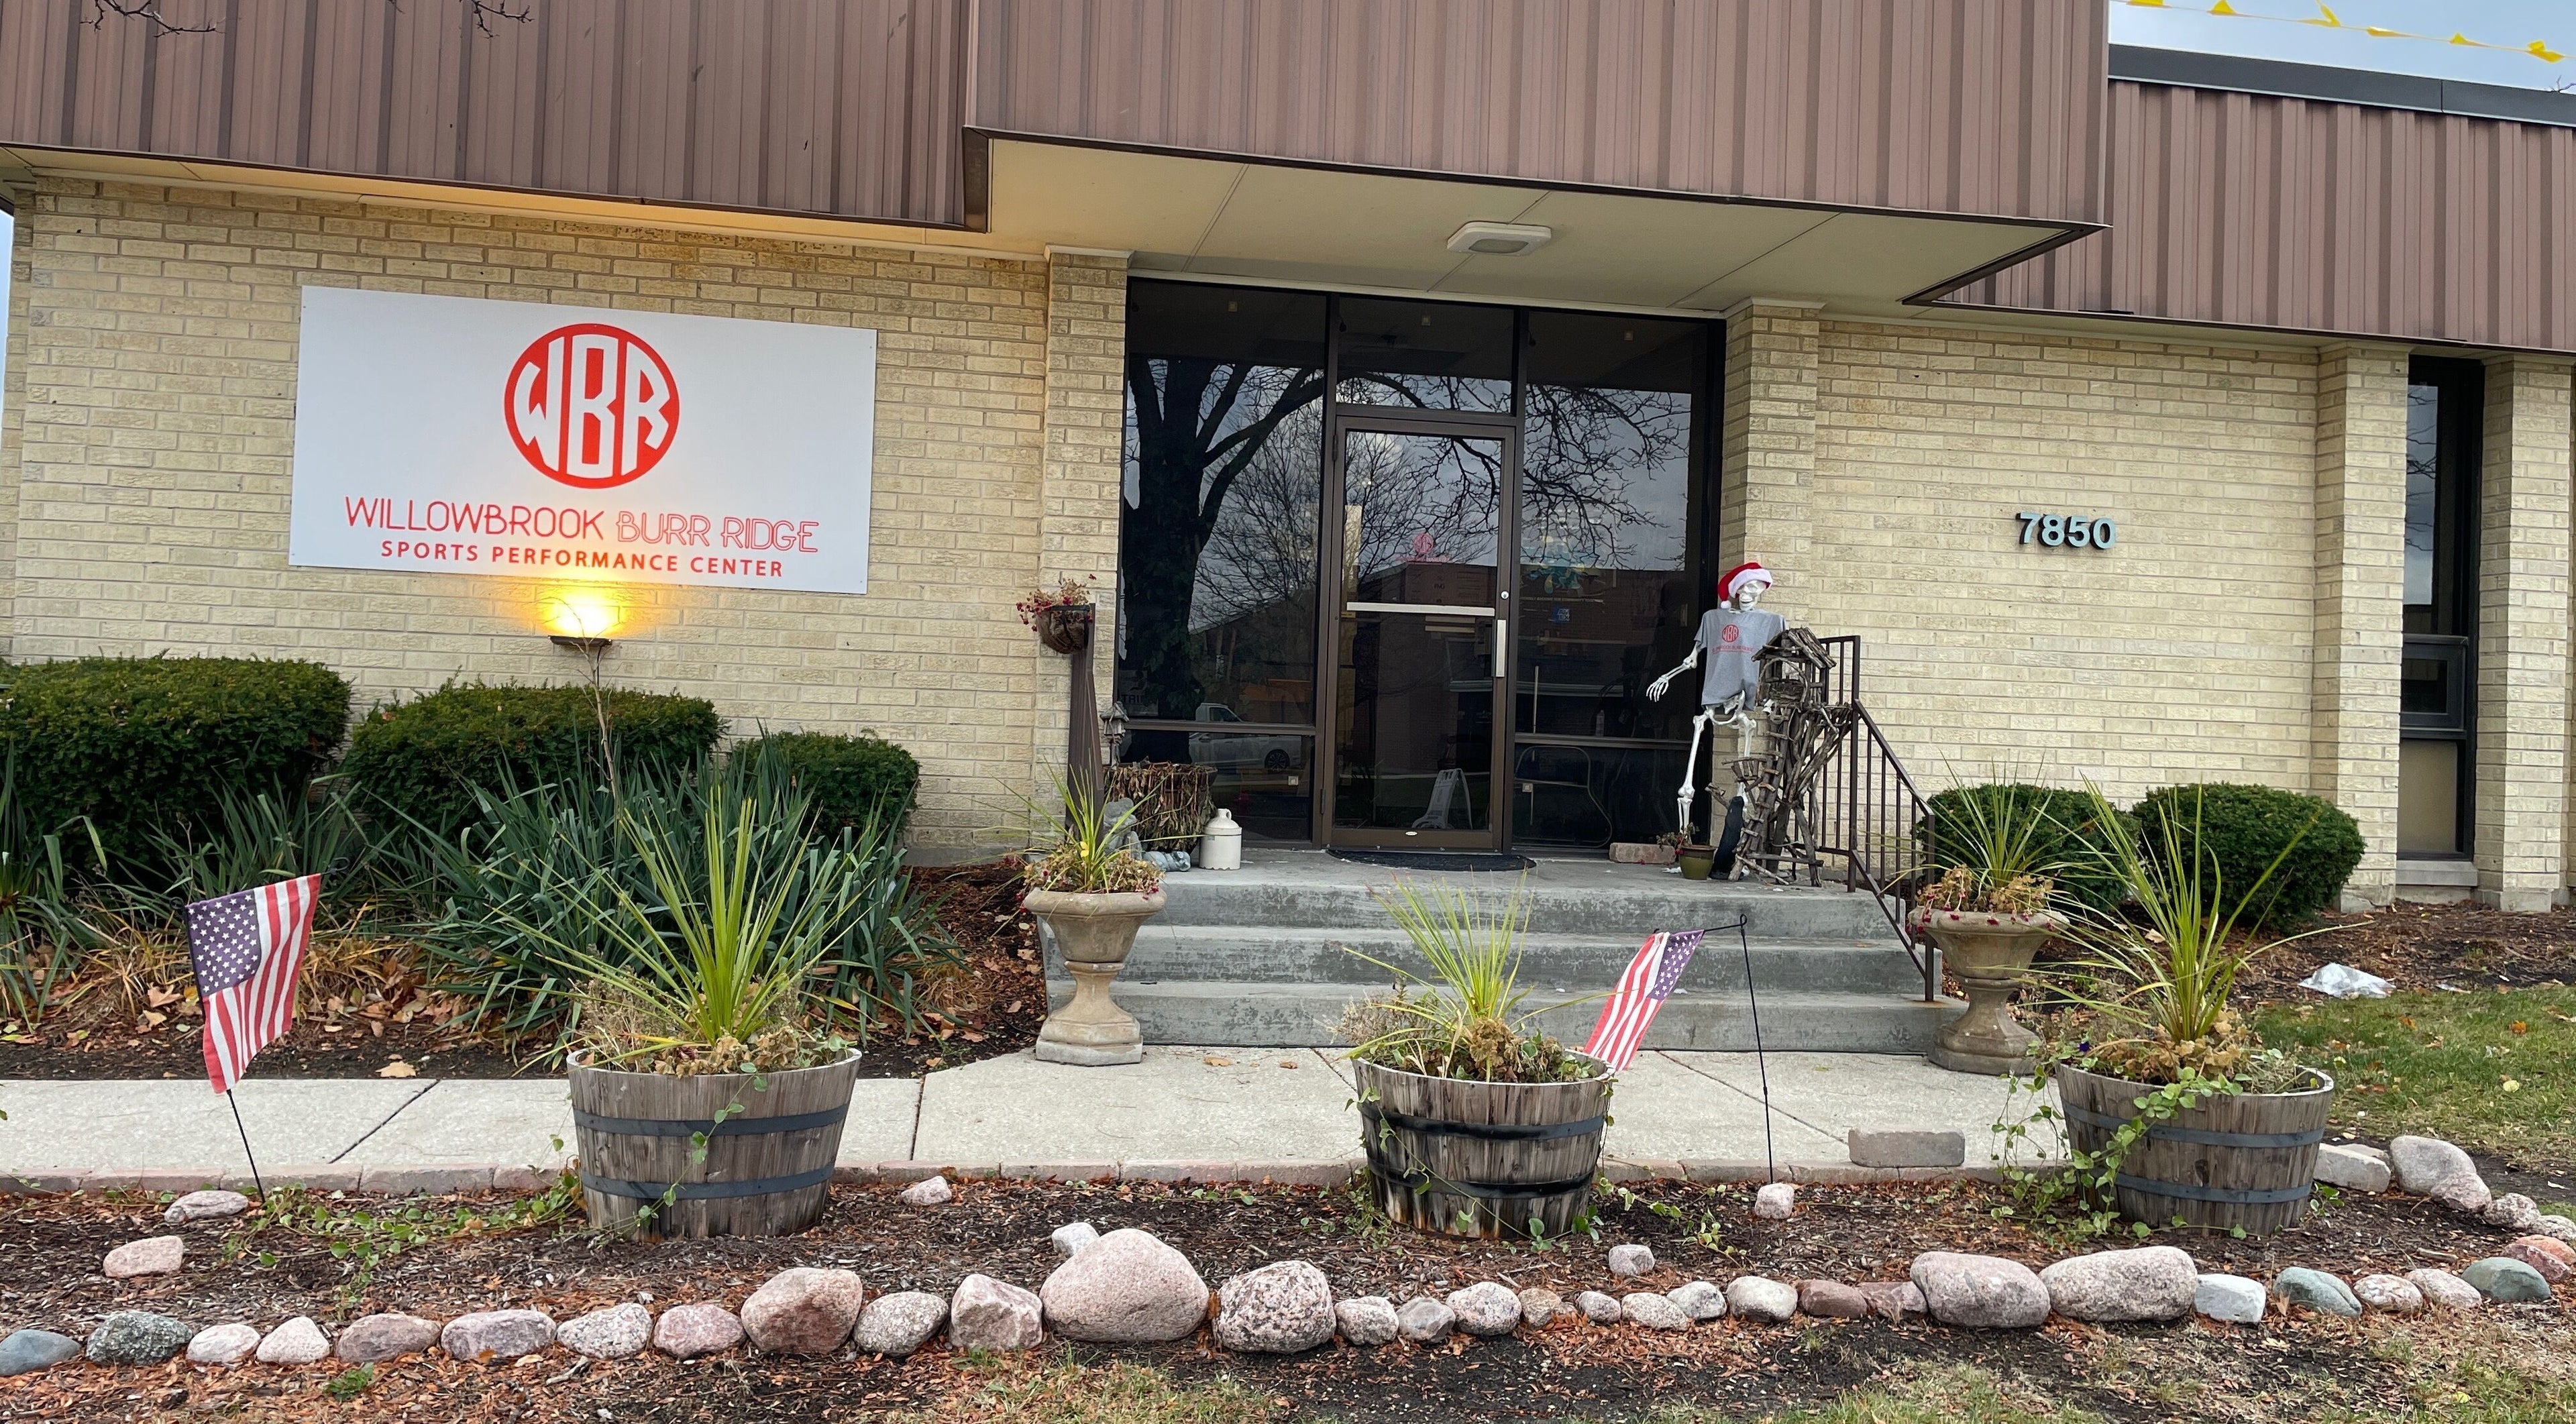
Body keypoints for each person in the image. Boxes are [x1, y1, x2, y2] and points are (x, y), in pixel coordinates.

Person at [1646, 562, 1784, 854]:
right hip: (1713, 701)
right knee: (1688, 784)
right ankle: (1683, 846)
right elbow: (1693, 658)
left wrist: (1772, 695)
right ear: (1735, 590)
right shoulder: (1713, 618)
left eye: (1755, 588)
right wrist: (1665, 677)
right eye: (1744, 587)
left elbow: (1777, 662)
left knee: (1743, 782)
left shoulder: (1772, 622)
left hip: (1746, 702)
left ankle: (1737, 849)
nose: (1748, 593)